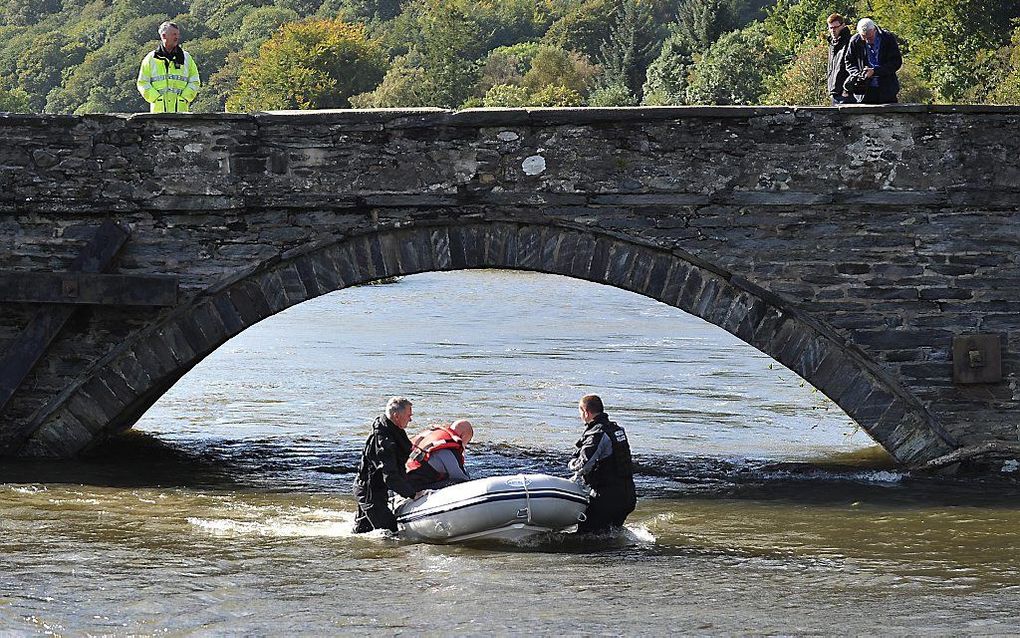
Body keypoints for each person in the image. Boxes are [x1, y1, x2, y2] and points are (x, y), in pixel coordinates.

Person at [352, 396, 421, 534]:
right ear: (396, 415)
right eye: (408, 415)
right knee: (390, 531)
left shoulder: (392, 428)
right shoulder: (383, 440)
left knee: (363, 531)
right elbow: (390, 476)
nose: (411, 419)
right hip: (369, 492)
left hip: (376, 489)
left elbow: (406, 450)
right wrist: (413, 494)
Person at [568, 394, 636, 534]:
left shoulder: (597, 434)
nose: (580, 416)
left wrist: (571, 464)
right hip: (628, 495)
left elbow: (584, 465)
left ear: (586, 412)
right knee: (610, 535)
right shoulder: (617, 430)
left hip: (608, 498)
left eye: (580, 412)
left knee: (585, 535)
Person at [137, 21, 201, 113]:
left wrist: (184, 98)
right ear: (164, 36)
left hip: (181, 112)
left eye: (178, 34)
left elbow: (195, 81)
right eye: (174, 34)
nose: (177, 37)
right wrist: (156, 98)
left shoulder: (187, 58)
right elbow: (142, 83)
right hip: (158, 114)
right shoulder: (150, 59)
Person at [843, 17, 902, 104]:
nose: (867, 40)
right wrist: (858, 74)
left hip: (887, 90)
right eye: (864, 37)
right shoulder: (855, 40)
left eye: (870, 37)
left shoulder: (887, 38)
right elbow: (849, 62)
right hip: (864, 92)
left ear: (874, 30)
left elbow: (896, 62)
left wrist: (875, 71)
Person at [405, 419, 474, 489]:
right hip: (414, 483)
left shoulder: (430, 435)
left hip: (404, 472)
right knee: (458, 482)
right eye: (467, 441)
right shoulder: (449, 451)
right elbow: (461, 477)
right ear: (463, 437)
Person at [826, 13, 852, 105]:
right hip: (834, 93)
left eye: (835, 27)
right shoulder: (832, 44)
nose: (833, 30)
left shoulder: (850, 43)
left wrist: (847, 89)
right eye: (830, 28)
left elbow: (854, 68)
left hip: (846, 95)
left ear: (843, 26)